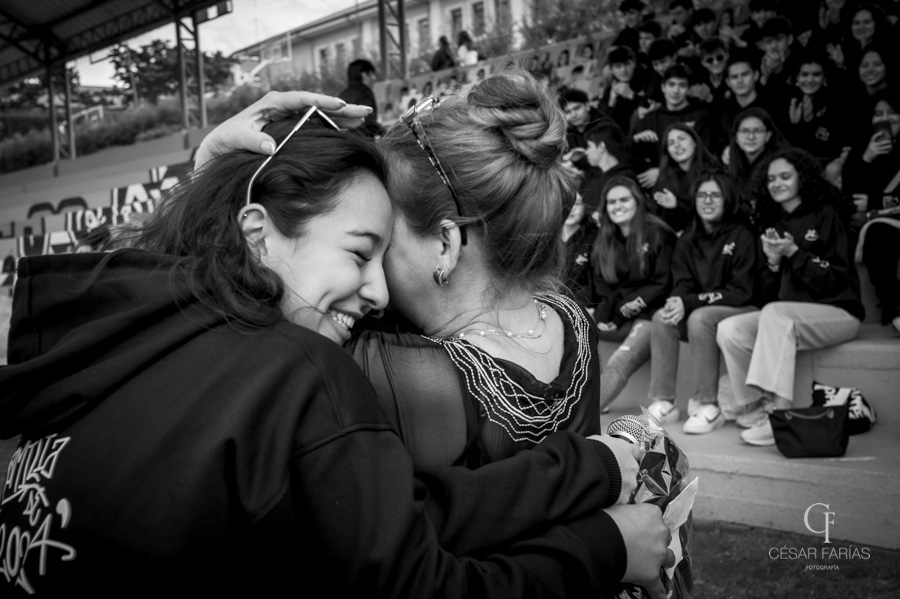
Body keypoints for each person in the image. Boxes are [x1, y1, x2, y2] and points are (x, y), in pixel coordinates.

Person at [0, 96, 674, 596]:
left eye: (386, 251)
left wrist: (213, 176)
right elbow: (415, 561)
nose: (377, 290)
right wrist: (603, 536)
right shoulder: (310, 368)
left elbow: (394, 513)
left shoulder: (122, 336)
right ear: (257, 232)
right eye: (360, 250)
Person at [344, 71, 602, 469]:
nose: (370, 275)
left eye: (383, 240)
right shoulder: (571, 318)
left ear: (446, 245)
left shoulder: (405, 372)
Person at [717, 147, 864, 447]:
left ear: (803, 179)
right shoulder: (774, 225)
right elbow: (771, 296)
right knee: (730, 329)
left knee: (776, 314)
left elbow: (834, 280)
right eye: (771, 178)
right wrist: (772, 263)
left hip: (837, 312)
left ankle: (780, 414)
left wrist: (795, 254)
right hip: (787, 319)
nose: (777, 183)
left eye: (785, 176)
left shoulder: (827, 215)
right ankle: (755, 406)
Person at [647, 170, 759, 431]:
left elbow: (742, 290)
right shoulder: (687, 239)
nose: (708, 200)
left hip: (743, 308)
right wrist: (676, 302)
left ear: (727, 200)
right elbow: (682, 284)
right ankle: (664, 403)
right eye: (702, 195)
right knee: (661, 318)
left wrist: (692, 302)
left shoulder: (742, 234)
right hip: (703, 310)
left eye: (715, 195)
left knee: (700, 317)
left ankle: (708, 404)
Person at [589, 176, 677, 411]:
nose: (617, 206)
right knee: (577, 329)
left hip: (654, 316)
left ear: (637, 201)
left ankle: (582, 414)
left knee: (619, 361)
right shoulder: (605, 239)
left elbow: (663, 284)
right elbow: (604, 288)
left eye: (624, 199)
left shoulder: (657, 233)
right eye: (611, 202)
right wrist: (604, 316)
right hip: (622, 319)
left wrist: (619, 314)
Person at [843, 86, 900, 326]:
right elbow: (850, 197)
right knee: (876, 234)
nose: (885, 118)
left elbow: (873, 199)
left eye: (892, 112)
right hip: (874, 225)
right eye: (878, 113)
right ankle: (892, 310)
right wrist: (867, 157)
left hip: (891, 219)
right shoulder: (861, 152)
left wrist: (874, 202)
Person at [777, 52, 850, 163]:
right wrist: (795, 126)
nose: (810, 80)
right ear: (797, 78)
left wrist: (811, 122)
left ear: (824, 79)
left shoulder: (835, 104)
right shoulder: (788, 102)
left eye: (816, 75)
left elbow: (830, 148)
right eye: (804, 74)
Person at [651, 122, 722, 232]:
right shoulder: (665, 177)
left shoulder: (713, 173)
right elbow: (658, 215)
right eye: (671, 143)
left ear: (695, 142)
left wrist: (677, 205)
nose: (677, 145)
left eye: (682, 139)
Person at [725, 107, 791, 214]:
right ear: (736, 137)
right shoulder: (734, 163)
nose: (751, 137)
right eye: (745, 131)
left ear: (768, 136)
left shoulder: (779, 164)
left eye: (757, 131)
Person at [338, 58, 382, 138]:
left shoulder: (341, 95)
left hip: (344, 143)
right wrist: (385, 132)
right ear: (364, 74)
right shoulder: (365, 92)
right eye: (372, 74)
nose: (374, 78)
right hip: (361, 144)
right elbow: (369, 122)